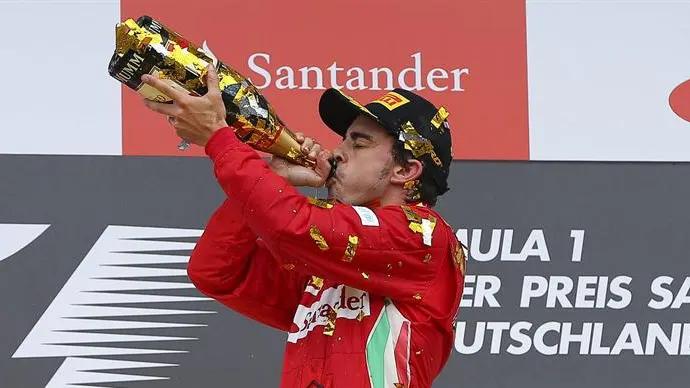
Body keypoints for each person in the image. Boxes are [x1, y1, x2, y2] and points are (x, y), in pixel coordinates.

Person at [140, 64, 466, 388]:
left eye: (359, 143)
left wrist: (219, 137)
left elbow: (291, 226)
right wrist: (275, 177)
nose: (337, 152)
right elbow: (217, 272)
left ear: (405, 171)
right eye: (343, 140)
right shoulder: (328, 269)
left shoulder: (422, 236)